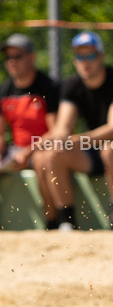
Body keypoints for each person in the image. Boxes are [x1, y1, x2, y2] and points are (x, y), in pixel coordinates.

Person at [32, 31, 113, 231]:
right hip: (98, 149)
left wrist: (73, 140)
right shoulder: (72, 85)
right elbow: (63, 127)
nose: (85, 62)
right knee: (51, 154)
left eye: (90, 56)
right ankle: (66, 223)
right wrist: (51, 141)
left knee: (111, 148)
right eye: (80, 56)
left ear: (101, 57)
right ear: (75, 60)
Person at [0, 33, 60, 227]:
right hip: (16, 151)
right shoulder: (4, 90)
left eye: (17, 56)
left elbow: (55, 131)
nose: (11, 62)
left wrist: (28, 151)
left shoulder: (48, 87)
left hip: (42, 148)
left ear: (32, 57)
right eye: (8, 57)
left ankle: (53, 221)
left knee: (43, 159)